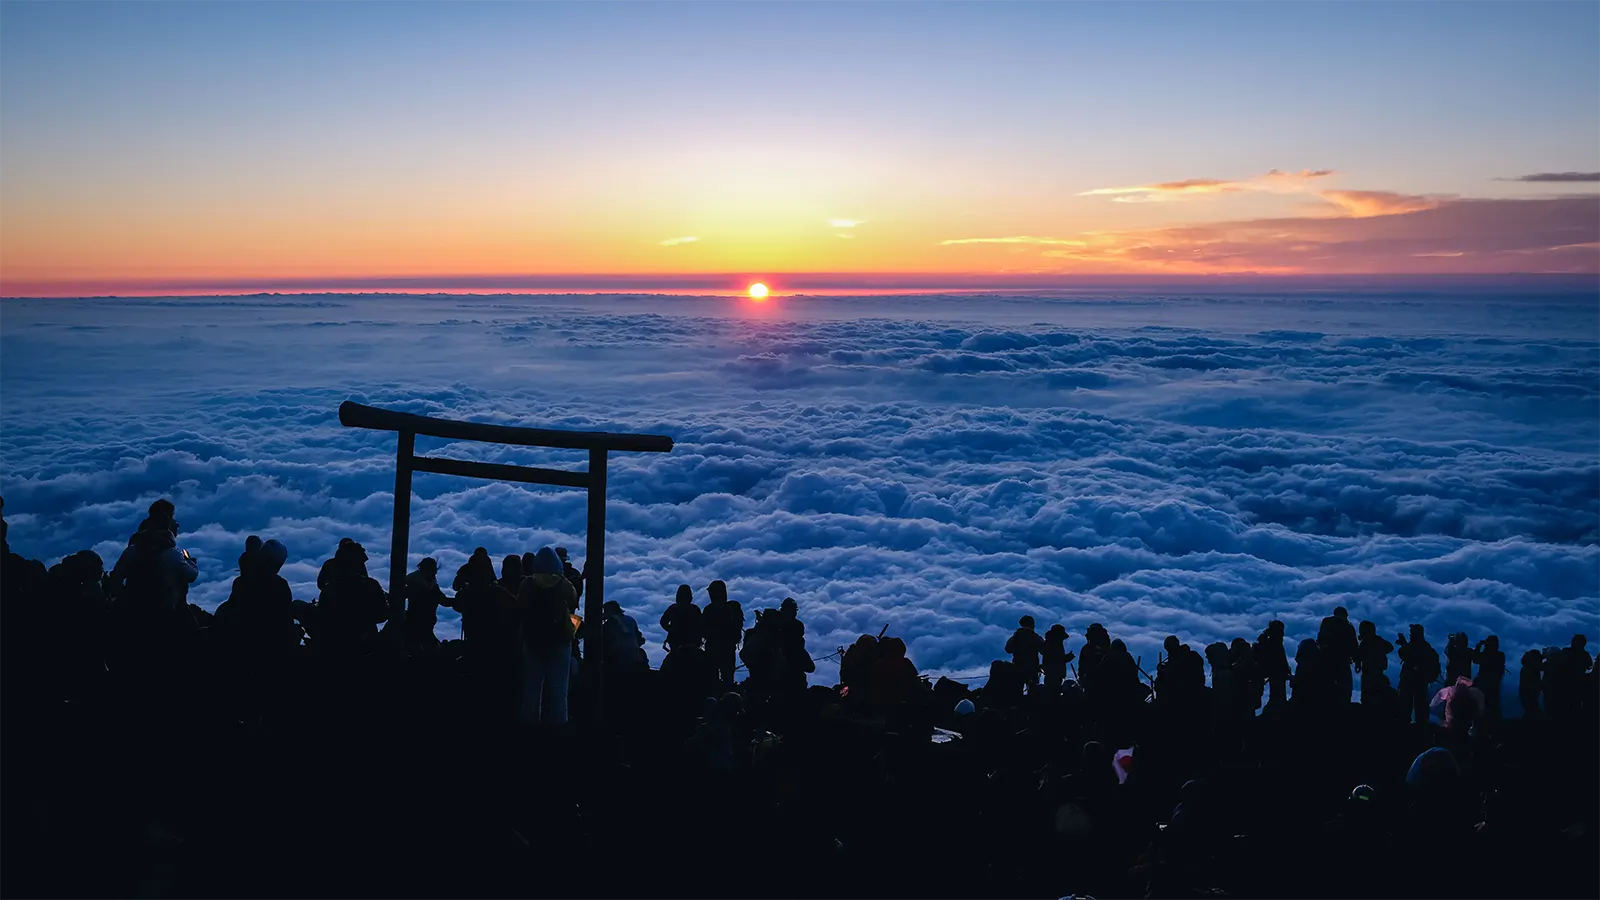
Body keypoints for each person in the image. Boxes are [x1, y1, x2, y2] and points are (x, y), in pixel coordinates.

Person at [107, 499, 200, 657]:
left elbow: (116, 577)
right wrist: (190, 561)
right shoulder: (172, 554)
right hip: (167, 615)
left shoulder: (132, 551)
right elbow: (191, 575)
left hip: (134, 615)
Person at [214, 539, 292, 714]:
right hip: (268, 649)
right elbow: (283, 621)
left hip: (241, 645)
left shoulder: (241, 583)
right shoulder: (280, 586)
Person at [517, 547, 577, 725]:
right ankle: (559, 725)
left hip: (532, 641)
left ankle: (530, 723)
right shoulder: (564, 584)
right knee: (560, 689)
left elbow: (520, 607)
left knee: (532, 688)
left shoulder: (527, 584)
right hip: (560, 642)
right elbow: (573, 605)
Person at [702, 579, 744, 687]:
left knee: (712, 679)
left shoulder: (709, 609)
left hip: (713, 648)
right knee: (727, 678)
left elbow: (703, 630)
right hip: (728, 649)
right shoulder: (732, 608)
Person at [1396, 624, 1439, 725]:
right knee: (1421, 705)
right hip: (1422, 681)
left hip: (1408, 680)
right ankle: (1421, 727)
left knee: (1405, 705)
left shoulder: (1412, 646)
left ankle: (1404, 726)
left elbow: (1403, 653)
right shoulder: (1427, 647)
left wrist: (1404, 644)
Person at [403, 558, 446, 656]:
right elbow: (444, 601)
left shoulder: (432, 586)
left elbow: (444, 600)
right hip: (416, 623)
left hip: (424, 623)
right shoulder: (417, 585)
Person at [1317, 607, 1359, 703]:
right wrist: (1357, 662)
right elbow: (1353, 646)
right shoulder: (1348, 627)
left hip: (1326, 660)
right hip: (1342, 661)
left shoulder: (1326, 623)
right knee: (1344, 687)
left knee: (1327, 686)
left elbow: (1320, 640)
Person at [1354, 620, 1394, 704]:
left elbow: (1359, 655)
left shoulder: (1365, 642)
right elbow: (1390, 647)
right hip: (1379, 672)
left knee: (1367, 696)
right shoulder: (1378, 640)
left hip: (1368, 674)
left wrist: (1358, 663)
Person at [1254, 620, 1290, 706]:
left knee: (1277, 695)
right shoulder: (1274, 643)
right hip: (1276, 673)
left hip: (1276, 673)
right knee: (1278, 695)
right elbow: (1278, 659)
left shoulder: (1274, 641)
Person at [1005, 616, 1046, 689]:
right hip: (1032, 668)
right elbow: (1045, 651)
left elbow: (1008, 649)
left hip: (1017, 666)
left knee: (1017, 690)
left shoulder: (1015, 637)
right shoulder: (1035, 637)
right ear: (1032, 625)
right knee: (1033, 691)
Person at [1472, 635, 1505, 723]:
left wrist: (1478, 647)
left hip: (1484, 685)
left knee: (1482, 706)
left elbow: (1475, 659)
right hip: (1494, 685)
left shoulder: (1486, 655)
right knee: (1494, 706)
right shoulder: (1500, 655)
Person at [660, 584, 702, 652]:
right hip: (692, 643)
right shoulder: (694, 609)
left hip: (677, 644)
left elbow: (663, 622)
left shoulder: (673, 608)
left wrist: (672, 630)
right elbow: (701, 624)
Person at [1042, 624, 1075, 691]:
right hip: (1054, 674)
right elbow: (1056, 660)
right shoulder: (1054, 644)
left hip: (1052, 673)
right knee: (1053, 691)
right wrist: (1067, 658)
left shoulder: (1051, 642)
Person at [1517, 648, 1544, 719]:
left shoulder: (1527, 667)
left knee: (1530, 712)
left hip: (1526, 695)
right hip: (1529, 695)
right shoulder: (1529, 669)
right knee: (1533, 712)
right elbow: (1535, 684)